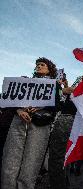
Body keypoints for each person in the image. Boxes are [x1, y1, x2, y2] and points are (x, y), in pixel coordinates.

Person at [1, 57, 59, 189]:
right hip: (19, 121)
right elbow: (9, 99)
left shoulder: (54, 85)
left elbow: (57, 105)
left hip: (39, 125)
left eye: (42, 64)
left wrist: (42, 106)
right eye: (37, 65)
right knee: (10, 159)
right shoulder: (24, 81)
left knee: (31, 162)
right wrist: (19, 109)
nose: (38, 66)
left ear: (49, 69)